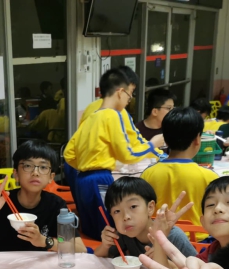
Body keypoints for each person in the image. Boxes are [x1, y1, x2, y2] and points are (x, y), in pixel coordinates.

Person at [64, 68, 162, 241]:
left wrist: (87, 164)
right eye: (130, 94)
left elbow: (68, 153)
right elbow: (127, 154)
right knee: (110, 233)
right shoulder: (114, 115)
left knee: (91, 231)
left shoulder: (92, 116)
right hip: (101, 178)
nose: (129, 100)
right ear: (120, 92)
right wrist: (153, 144)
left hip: (82, 180)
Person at [0, 140, 85, 257]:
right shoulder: (1, 202)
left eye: (43, 167)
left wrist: (44, 241)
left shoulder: (55, 205)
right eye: (28, 166)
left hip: (36, 265)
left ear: (51, 177)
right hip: (2, 264)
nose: (35, 173)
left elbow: (80, 248)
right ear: (16, 174)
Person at [141, 107, 217, 226]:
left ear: (165, 140)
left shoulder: (148, 174)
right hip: (198, 236)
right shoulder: (210, 176)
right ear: (197, 139)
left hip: (158, 234)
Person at [94, 177, 196, 260]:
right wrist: (105, 245)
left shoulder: (174, 236)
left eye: (133, 206)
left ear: (150, 207)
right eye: (117, 211)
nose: (125, 217)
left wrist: (161, 258)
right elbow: (99, 257)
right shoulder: (124, 235)